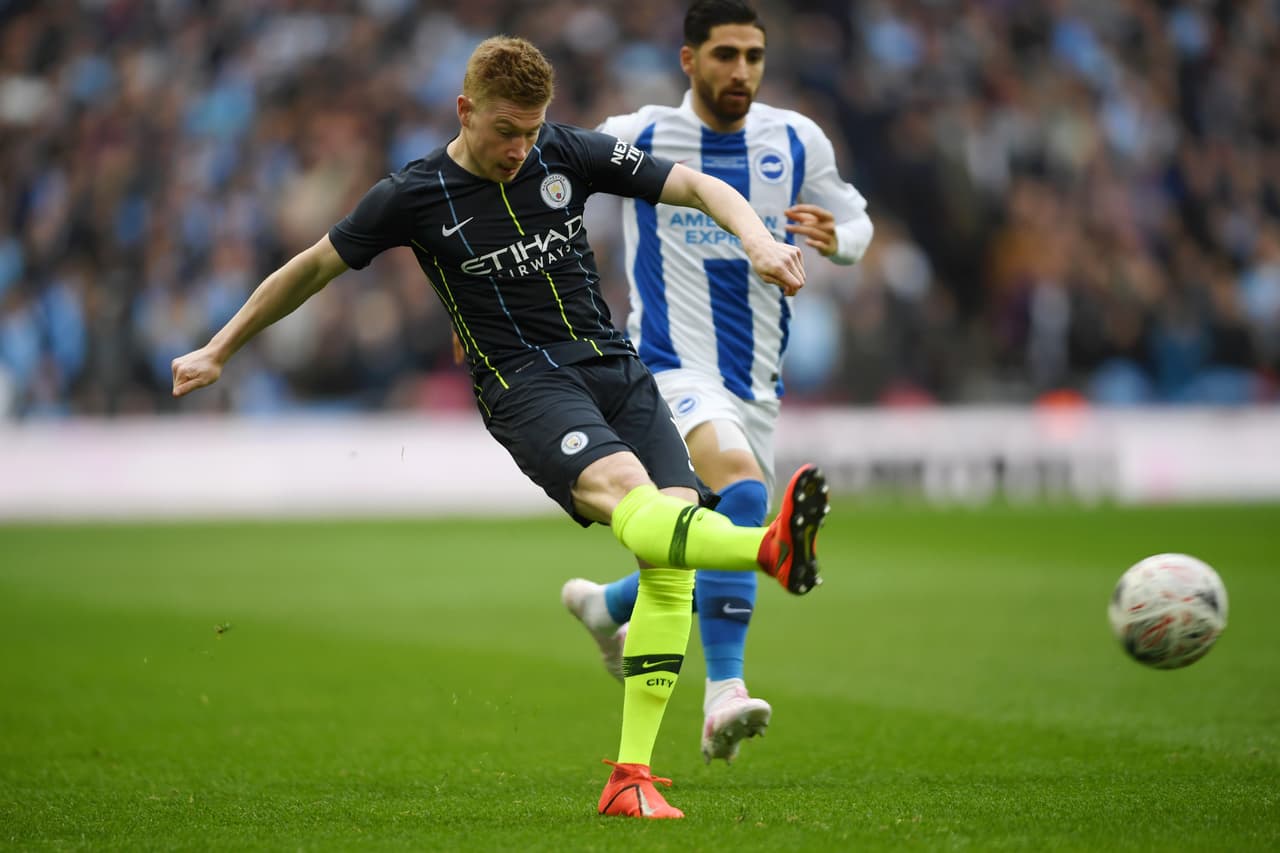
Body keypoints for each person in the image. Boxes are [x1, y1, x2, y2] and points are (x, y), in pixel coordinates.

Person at [169, 36, 829, 820]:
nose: (521, 148)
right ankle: (765, 548)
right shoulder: (414, 195)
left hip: (615, 368)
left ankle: (631, 777)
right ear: (465, 110)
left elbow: (689, 182)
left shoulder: (565, 151)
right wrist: (220, 346)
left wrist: (754, 237)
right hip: (526, 385)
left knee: (670, 549)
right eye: (505, 131)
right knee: (638, 504)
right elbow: (312, 266)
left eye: (531, 131)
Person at [560, 0, 872, 765]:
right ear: (688, 59)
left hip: (757, 379)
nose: (742, 71)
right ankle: (724, 690)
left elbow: (857, 224)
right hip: (666, 365)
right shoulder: (639, 134)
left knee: (707, 519)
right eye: (726, 54)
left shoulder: (797, 139)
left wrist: (840, 242)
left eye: (754, 56)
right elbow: (556, 173)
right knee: (741, 493)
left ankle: (607, 606)